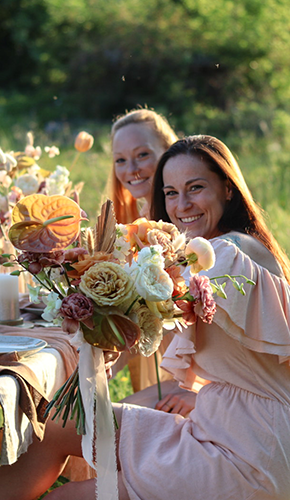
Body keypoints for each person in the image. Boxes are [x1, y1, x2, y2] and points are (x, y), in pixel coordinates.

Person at [0, 135, 290, 500]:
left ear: (227, 188)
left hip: (249, 452)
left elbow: (138, 302)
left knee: (64, 497)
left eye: (195, 188)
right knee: (58, 425)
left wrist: (89, 283)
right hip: (221, 426)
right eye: (171, 192)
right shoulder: (226, 248)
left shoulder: (226, 253)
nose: (182, 205)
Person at [108, 109, 192, 414]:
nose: (131, 169)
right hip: (166, 369)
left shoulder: (185, 218)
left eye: (142, 155)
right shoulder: (137, 222)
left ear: (169, 153)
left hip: (193, 379)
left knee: (93, 421)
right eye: (120, 160)